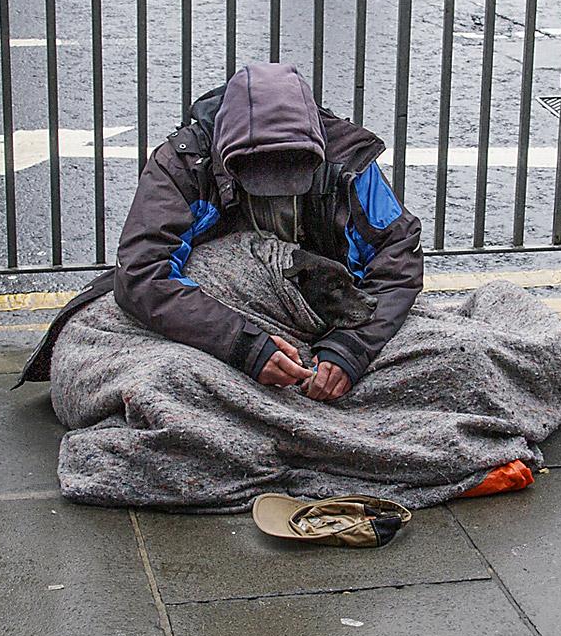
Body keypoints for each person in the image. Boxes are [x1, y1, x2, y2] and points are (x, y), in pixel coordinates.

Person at [22, 61, 422, 402]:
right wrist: (244, 345)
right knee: (160, 382)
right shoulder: (180, 165)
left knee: (449, 356)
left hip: (320, 311)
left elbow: (397, 254)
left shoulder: (349, 161)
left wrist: (351, 348)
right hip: (218, 316)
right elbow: (144, 273)